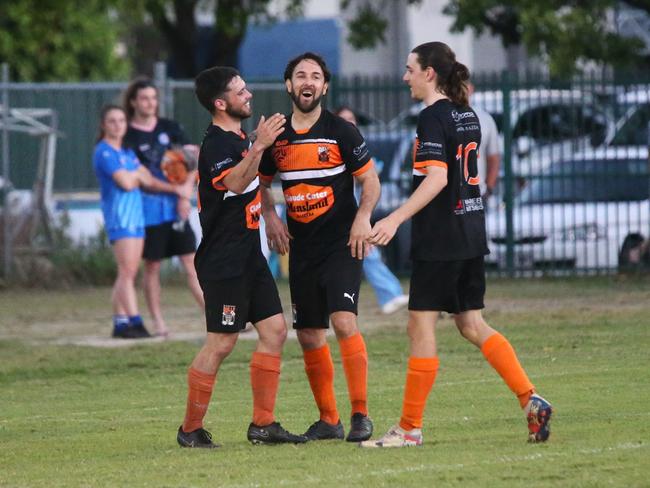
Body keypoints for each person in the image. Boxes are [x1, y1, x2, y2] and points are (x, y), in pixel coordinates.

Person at [360, 42, 552, 448]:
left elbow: (438, 179)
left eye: (410, 68)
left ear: (430, 73)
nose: (404, 76)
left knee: (420, 325)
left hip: (442, 238)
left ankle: (409, 428)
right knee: (471, 324)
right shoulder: (468, 114)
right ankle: (529, 398)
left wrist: (394, 218)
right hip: (470, 232)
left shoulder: (432, 117)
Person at [176, 66, 306, 448]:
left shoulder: (237, 138)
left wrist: (268, 213)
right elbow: (235, 181)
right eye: (240, 91)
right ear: (221, 103)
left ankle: (263, 425)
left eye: (246, 88)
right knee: (221, 342)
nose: (248, 95)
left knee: (275, 332)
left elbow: (254, 180)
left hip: (249, 254)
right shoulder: (217, 143)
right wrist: (260, 145)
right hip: (224, 260)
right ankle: (190, 430)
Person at [259, 52, 381, 443]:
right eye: (300, 75)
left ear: (325, 86)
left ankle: (361, 414)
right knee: (310, 334)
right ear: (289, 85)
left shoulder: (341, 131)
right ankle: (330, 420)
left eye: (315, 76)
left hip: (343, 242)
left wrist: (363, 218)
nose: (308, 82)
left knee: (344, 321)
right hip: (303, 249)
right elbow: (260, 184)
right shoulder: (276, 136)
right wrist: (273, 218)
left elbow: (371, 181)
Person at [123, 78, 203, 338]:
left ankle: (214, 316)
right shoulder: (128, 136)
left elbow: (194, 160)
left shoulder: (171, 128)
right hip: (148, 211)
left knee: (191, 261)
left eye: (153, 98)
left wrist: (184, 195)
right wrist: (174, 190)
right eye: (144, 98)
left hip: (176, 208)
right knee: (153, 266)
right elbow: (140, 176)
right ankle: (158, 322)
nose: (150, 103)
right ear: (134, 102)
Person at [335, 106, 409, 315]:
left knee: (366, 250)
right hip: (338, 209)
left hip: (354, 207)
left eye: (352, 119)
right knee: (364, 250)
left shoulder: (357, 143)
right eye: (345, 119)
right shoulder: (334, 143)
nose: (350, 123)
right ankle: (390, 295)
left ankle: (390, 295)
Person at [93, 105, 153, 339]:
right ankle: (135, 322)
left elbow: (145, 177)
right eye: (112, 121)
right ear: (103, 125)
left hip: (136, 216)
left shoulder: (126, 153)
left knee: (127, 272)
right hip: (120, 217)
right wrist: (134, 176)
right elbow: (127, 183)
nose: (118, 125)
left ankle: (120, 322)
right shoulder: (104, 152)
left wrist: (134, 175)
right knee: (127, 271)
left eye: (121, 120)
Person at [467, 81, 500, 205]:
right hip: (449, 197)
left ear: (471, 88)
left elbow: (494, 157)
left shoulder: (484, 118)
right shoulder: (442, 117)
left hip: (477, 194)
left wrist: (488, 190)